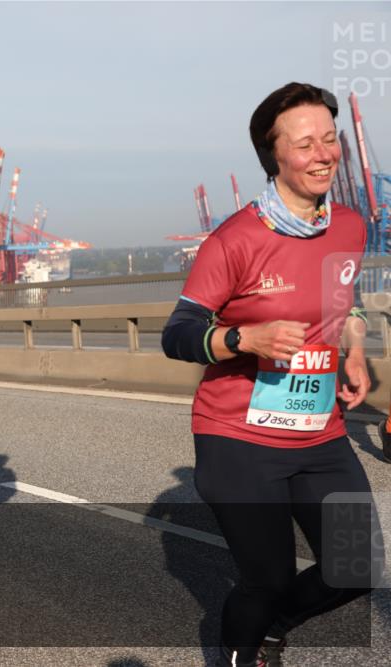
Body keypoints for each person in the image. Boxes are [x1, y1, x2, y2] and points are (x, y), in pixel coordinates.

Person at [161, 83, 375, 667]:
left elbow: (340, 303)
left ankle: (274, 628)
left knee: (357, 568)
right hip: (239, 438)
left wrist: (352, 350)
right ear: (273, 155)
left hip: (320, 431)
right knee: (267, 577)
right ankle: (240, 652)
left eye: (330, 139)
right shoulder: (235, 239)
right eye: (306, 144)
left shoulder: (351, 227)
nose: (324, 153)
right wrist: (241, 339)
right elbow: (177, 333)